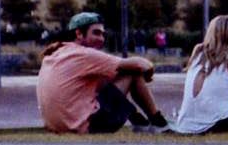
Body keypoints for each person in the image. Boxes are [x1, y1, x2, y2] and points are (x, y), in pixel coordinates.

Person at [36, 12, 169, 134]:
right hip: (85, 127)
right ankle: (159, 124)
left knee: (104, 79)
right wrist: (148, 74)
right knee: (133, 72)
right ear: (79, 34)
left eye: (102, 34)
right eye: (96, 33)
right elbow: (142, 65)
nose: (101, 39)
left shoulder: (56, 53)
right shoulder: (85, 54)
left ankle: (138, 120)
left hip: (58, 126)